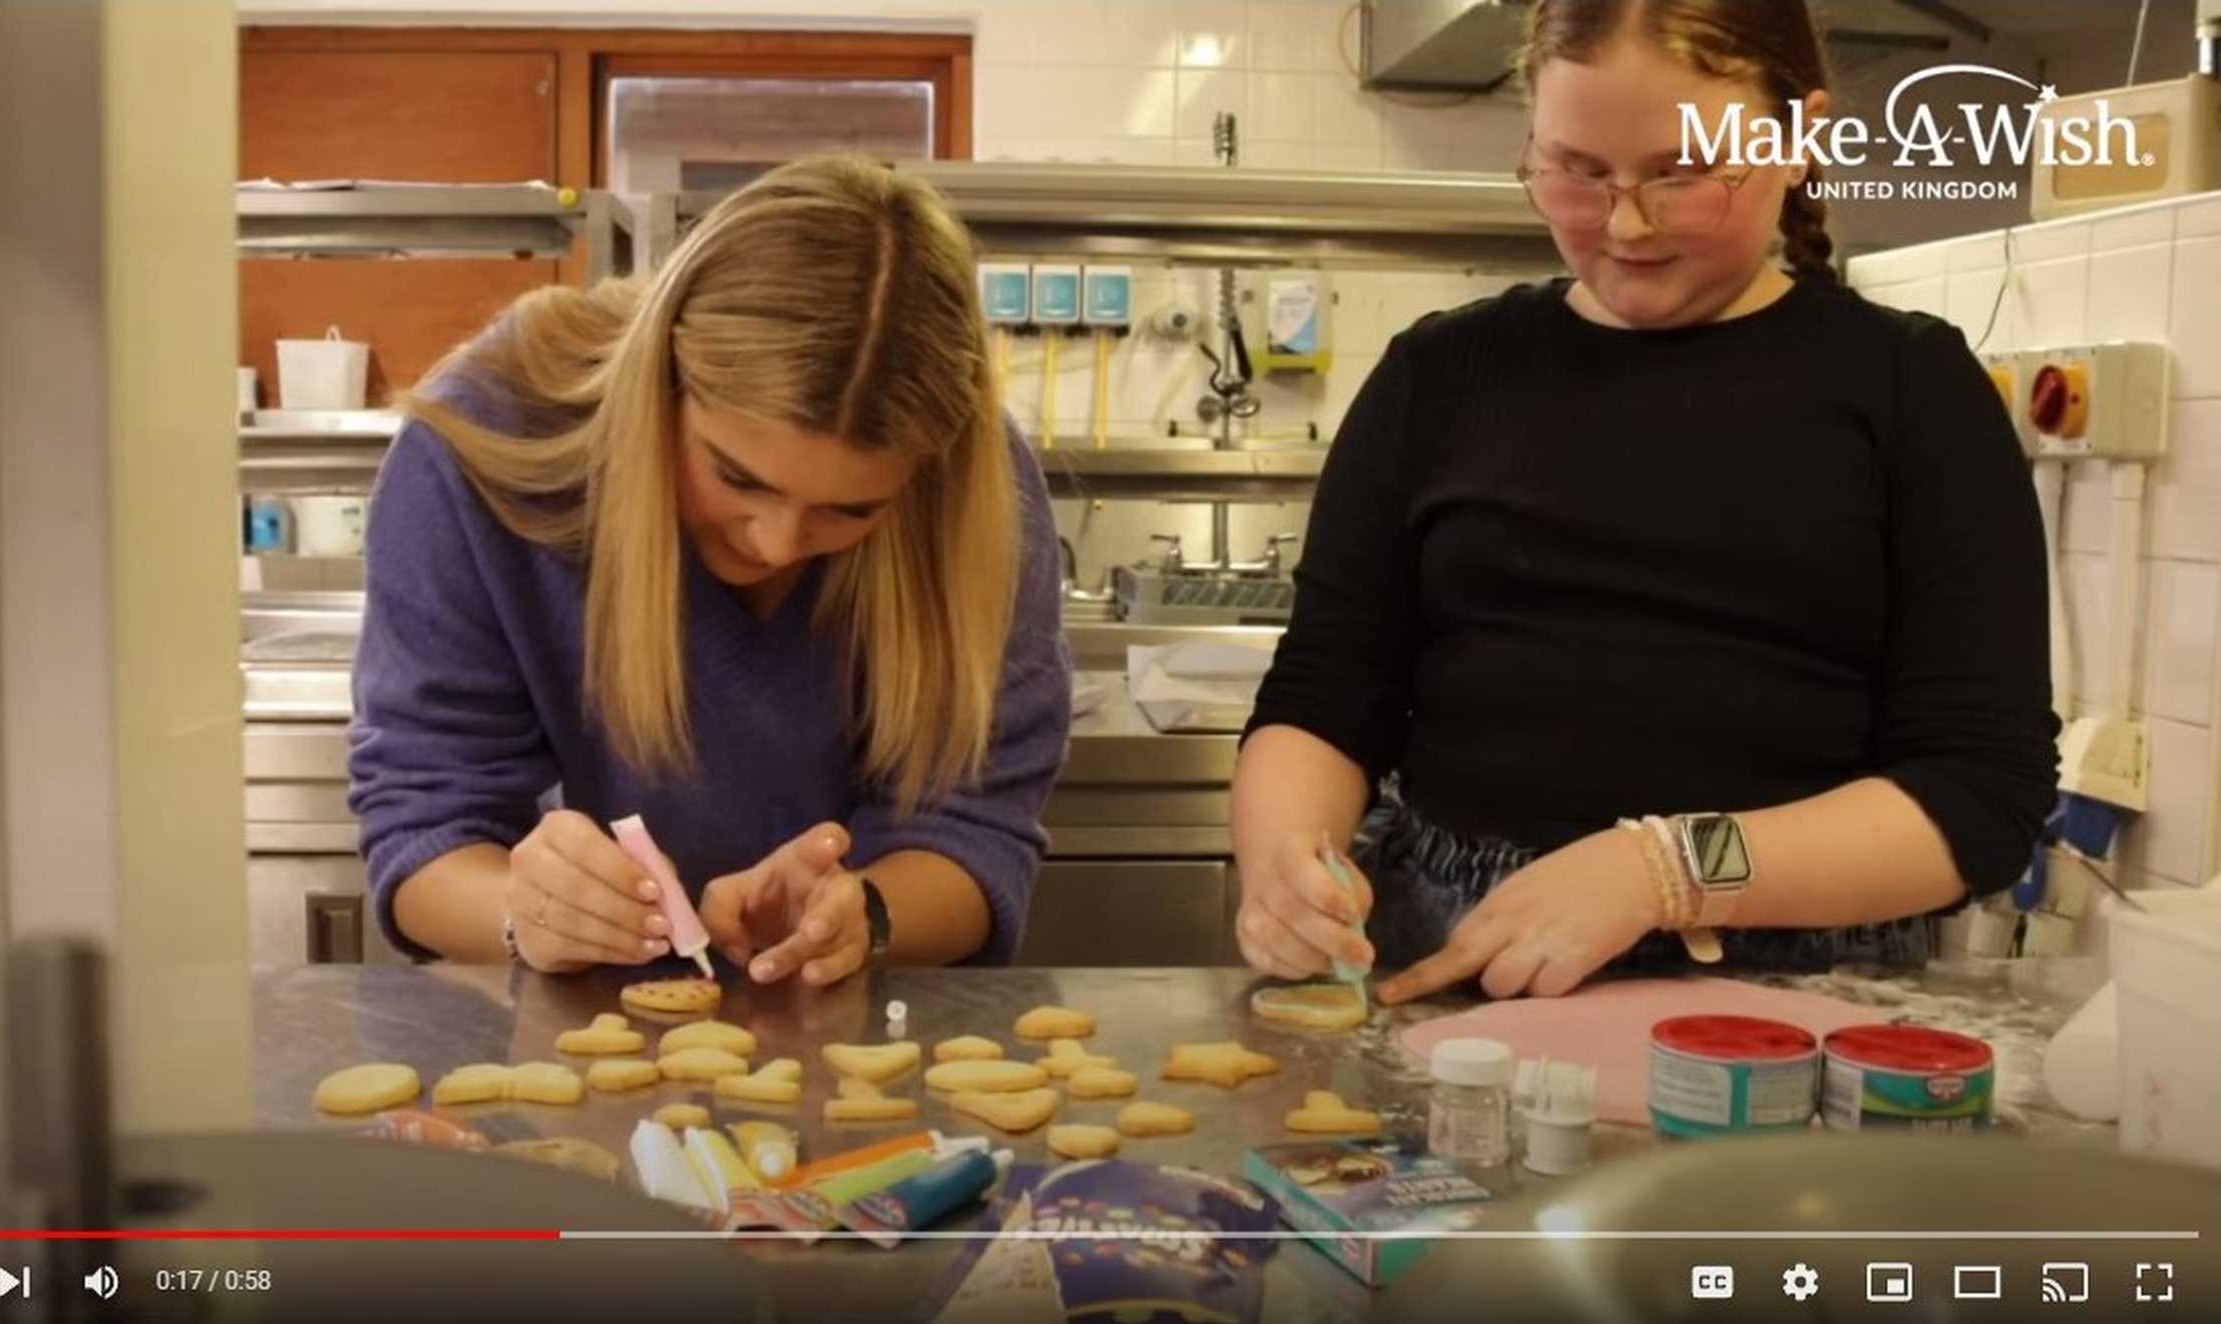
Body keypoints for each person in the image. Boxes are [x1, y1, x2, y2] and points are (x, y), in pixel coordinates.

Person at [1233, 0, 2057, 1003]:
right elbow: (1323, 698)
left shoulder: (1911, 390)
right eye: (1576, 172)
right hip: (1456, 953)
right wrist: (1284, 859)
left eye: (1680, 173)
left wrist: (1664, 870)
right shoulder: (1439, 376)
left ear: (1800, 139)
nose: (1626, 224)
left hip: (1790, 982)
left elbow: (1978, 796)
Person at [348, 154, 1072, 985]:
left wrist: (866, 912)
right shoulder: (481, 446)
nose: (775, 543)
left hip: (859, 1036)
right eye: (736, 477)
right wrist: (525, 910)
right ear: (658, 385)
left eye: (852, 511)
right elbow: (424, 821)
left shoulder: (976, 492)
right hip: (569, 1038)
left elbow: (975, 829)